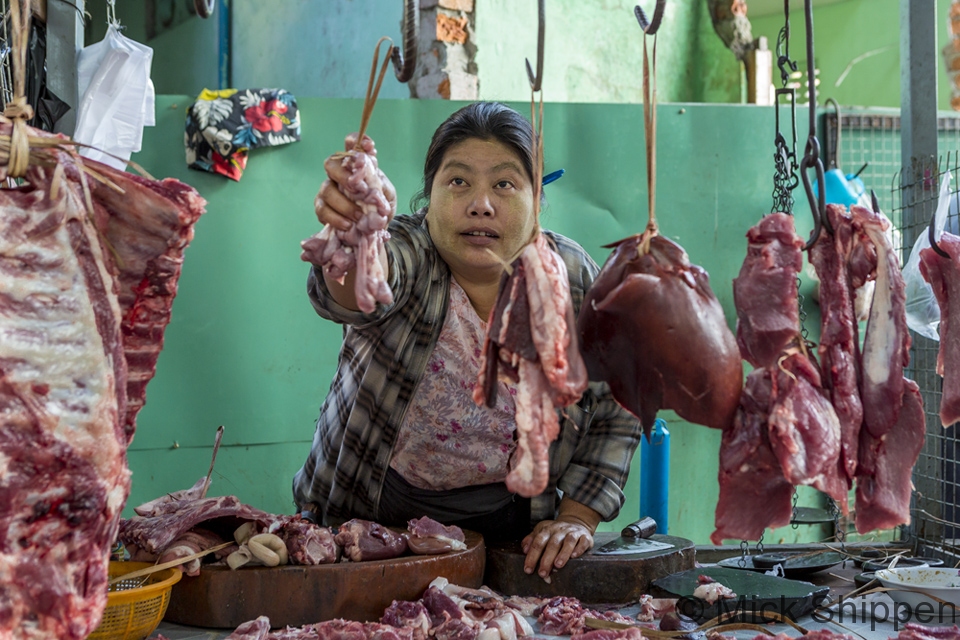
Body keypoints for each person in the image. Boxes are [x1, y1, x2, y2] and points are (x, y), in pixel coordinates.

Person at [294, 101, 643, 580]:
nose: (481, 203)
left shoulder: (571, 276)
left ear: (538, 199)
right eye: (458, 181)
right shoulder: (409, 252)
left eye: (504, 183)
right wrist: (355, 234)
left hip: (511, 522)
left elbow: (618, 403)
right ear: (429, 196)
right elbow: (354, 289)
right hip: (368, 514)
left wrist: (578, 516)